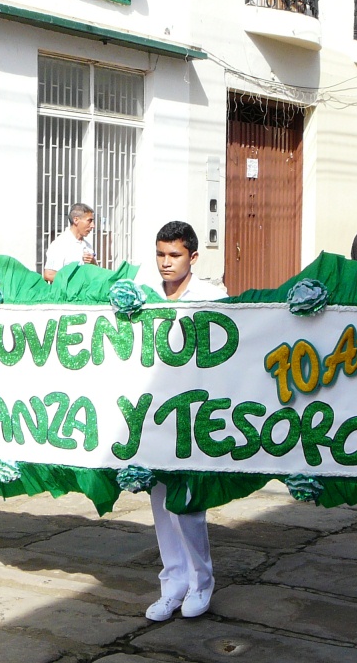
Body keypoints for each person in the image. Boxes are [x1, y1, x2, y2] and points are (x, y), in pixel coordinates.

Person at [145, 221, 227, 622]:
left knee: (188, 505)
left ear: (193, 257)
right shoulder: (142, 296)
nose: (165, 263)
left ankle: (201, 583)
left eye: (174, 255)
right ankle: (172, 584)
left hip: (195, 415)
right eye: (160, 254)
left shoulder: (213, 296)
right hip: (152, 415)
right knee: (160, 503)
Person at [42, 203, 97, 282]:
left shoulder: (87, 246)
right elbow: (49, 274)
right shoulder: (60, 244)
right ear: (76, 220)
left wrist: (93, 262)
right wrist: (75, 282)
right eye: (89, 221)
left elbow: (95, 273)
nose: (93, 225)